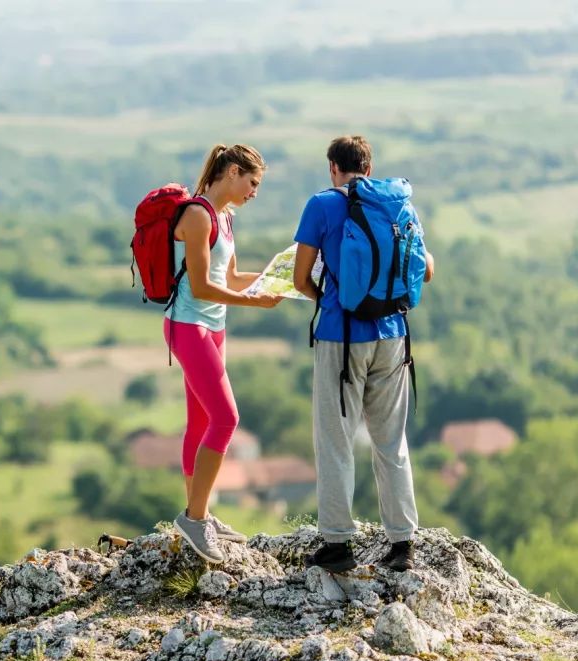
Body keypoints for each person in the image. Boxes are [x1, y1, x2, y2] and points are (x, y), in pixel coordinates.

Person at [292, 135, 435, 573]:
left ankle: (337, 544)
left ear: (333, 167)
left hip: (342, 334)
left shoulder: (321, 205)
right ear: (369, 170)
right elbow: (426, 269)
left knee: (336, 441)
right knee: (391, 441)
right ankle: (403, 544)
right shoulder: (396, 204)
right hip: (393, 333)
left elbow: (300, 279)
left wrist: (331, 300)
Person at [167, 143, 282, 564]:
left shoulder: (226, 219)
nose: (255, 192)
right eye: (252, 183)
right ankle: (194, 520)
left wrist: (279, 279)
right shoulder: (198, 216)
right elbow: (200, 287)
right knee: (226, 418)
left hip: (214, 326)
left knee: (201, 421)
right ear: (232, 172)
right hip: (189, 326)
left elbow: (230, 276)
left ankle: (201, 512)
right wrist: (255, 302)